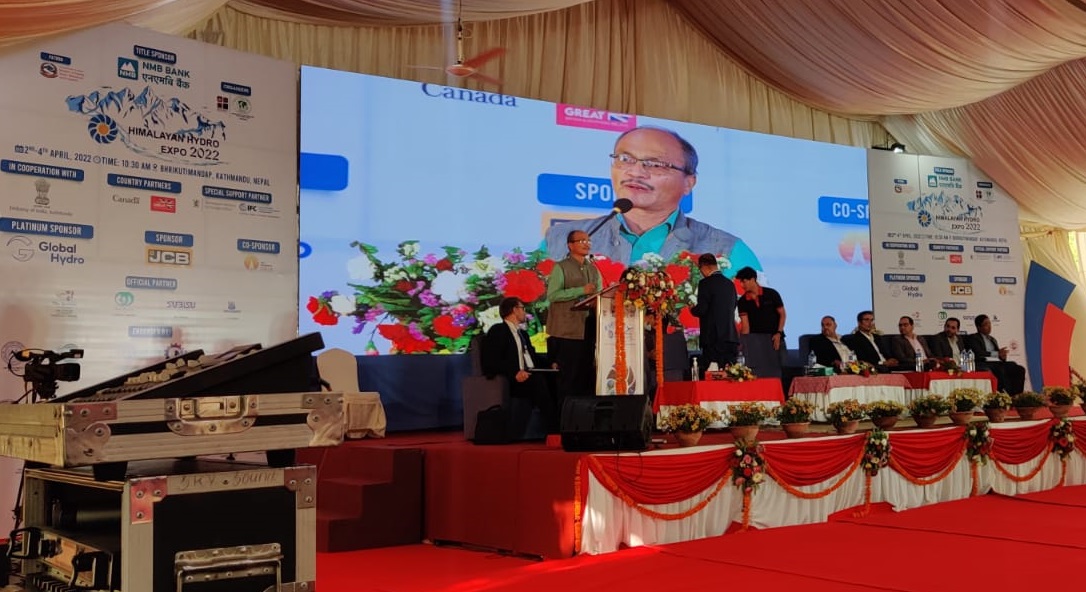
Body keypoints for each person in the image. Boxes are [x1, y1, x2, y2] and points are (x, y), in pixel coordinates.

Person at [543, 126, 760, 270]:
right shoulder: (560, 240)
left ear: (688, 183)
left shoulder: (727, 251)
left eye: (655, 164)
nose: (635, 172)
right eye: (625, 159)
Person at [482, 297, 559, 436]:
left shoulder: (522, 334)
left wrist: (550, 364)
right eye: (522, 308)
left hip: (529, 373)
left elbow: (533, 357)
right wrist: (514, 373)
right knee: (538, 382)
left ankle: (560, 426)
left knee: (555, 379)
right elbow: (492, 360)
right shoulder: (498, 330)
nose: (524, 312)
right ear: (514, 310)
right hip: (513, 379)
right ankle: (554, 431)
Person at [546, 229, 603, 401]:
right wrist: (580, 291)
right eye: (581, 241)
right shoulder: (561, 267)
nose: (587, 244)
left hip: (588, 330)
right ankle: (564, 414)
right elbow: (553, 295)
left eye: (588, 241)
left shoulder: (593, 269)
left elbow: (599, 294)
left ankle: (582, 413)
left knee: (585, 377)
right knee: (568, 379)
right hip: (566, 332)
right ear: (570, 245)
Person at [690, 253, 739, 376]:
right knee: (730, 375)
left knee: (713, 375)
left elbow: (702, 309)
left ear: (704, 267)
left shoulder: (705, 283)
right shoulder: (729, 284)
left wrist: (692, 309)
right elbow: (733, 306)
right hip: (730, 337)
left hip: (713, 339)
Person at [735, 266, 786, 378]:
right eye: (741, 282)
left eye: (744, 281)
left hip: (775, 339)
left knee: (780, 371)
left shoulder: (772, 294)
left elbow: (782, 314)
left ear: (753, 279)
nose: (742, 285)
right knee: (760, 374)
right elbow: (745, 326)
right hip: (756, 342)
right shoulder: (742, 301)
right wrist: (742, 342)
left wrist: (779, 333)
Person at [966, 314, 1026, 394]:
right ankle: (1004, 394)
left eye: (989, 323)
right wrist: (997, 353)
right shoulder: (973, 338)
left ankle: (1017, 395)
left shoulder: (992, 339)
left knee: (1018, 368)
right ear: (979, 327)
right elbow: (978, 353)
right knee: (1000, 369)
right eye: (986, 324)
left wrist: (1002, 356)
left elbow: (999, 355)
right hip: (983, 363)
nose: (989, 326)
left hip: (996, 363)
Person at [643, 310, 689, 401]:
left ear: (652, 318)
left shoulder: (649, 337)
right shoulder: (679, 339)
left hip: (655, 382)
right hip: (677, 383)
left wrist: (648, 355)